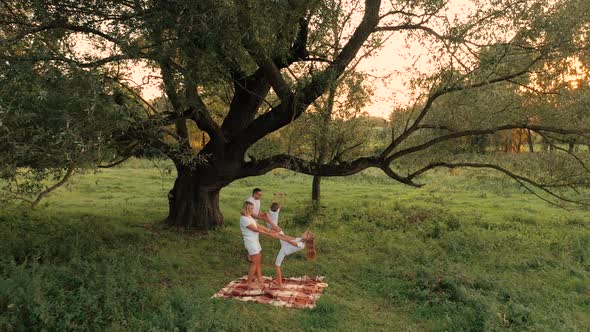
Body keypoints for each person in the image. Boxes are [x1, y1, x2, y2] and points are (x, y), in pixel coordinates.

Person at [240, 201, 279, 289]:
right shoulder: (244, 218)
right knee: (254, 263)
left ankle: (260, 280)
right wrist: (268, 234)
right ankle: (248, 283)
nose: (251, 210)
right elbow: (255, 229)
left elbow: (258, 225)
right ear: (245, 208)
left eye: (252, 208)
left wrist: (269, 230)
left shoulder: (249, 217)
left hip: (255, 242)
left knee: (258, 262)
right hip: (250, 242)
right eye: (250, 208)